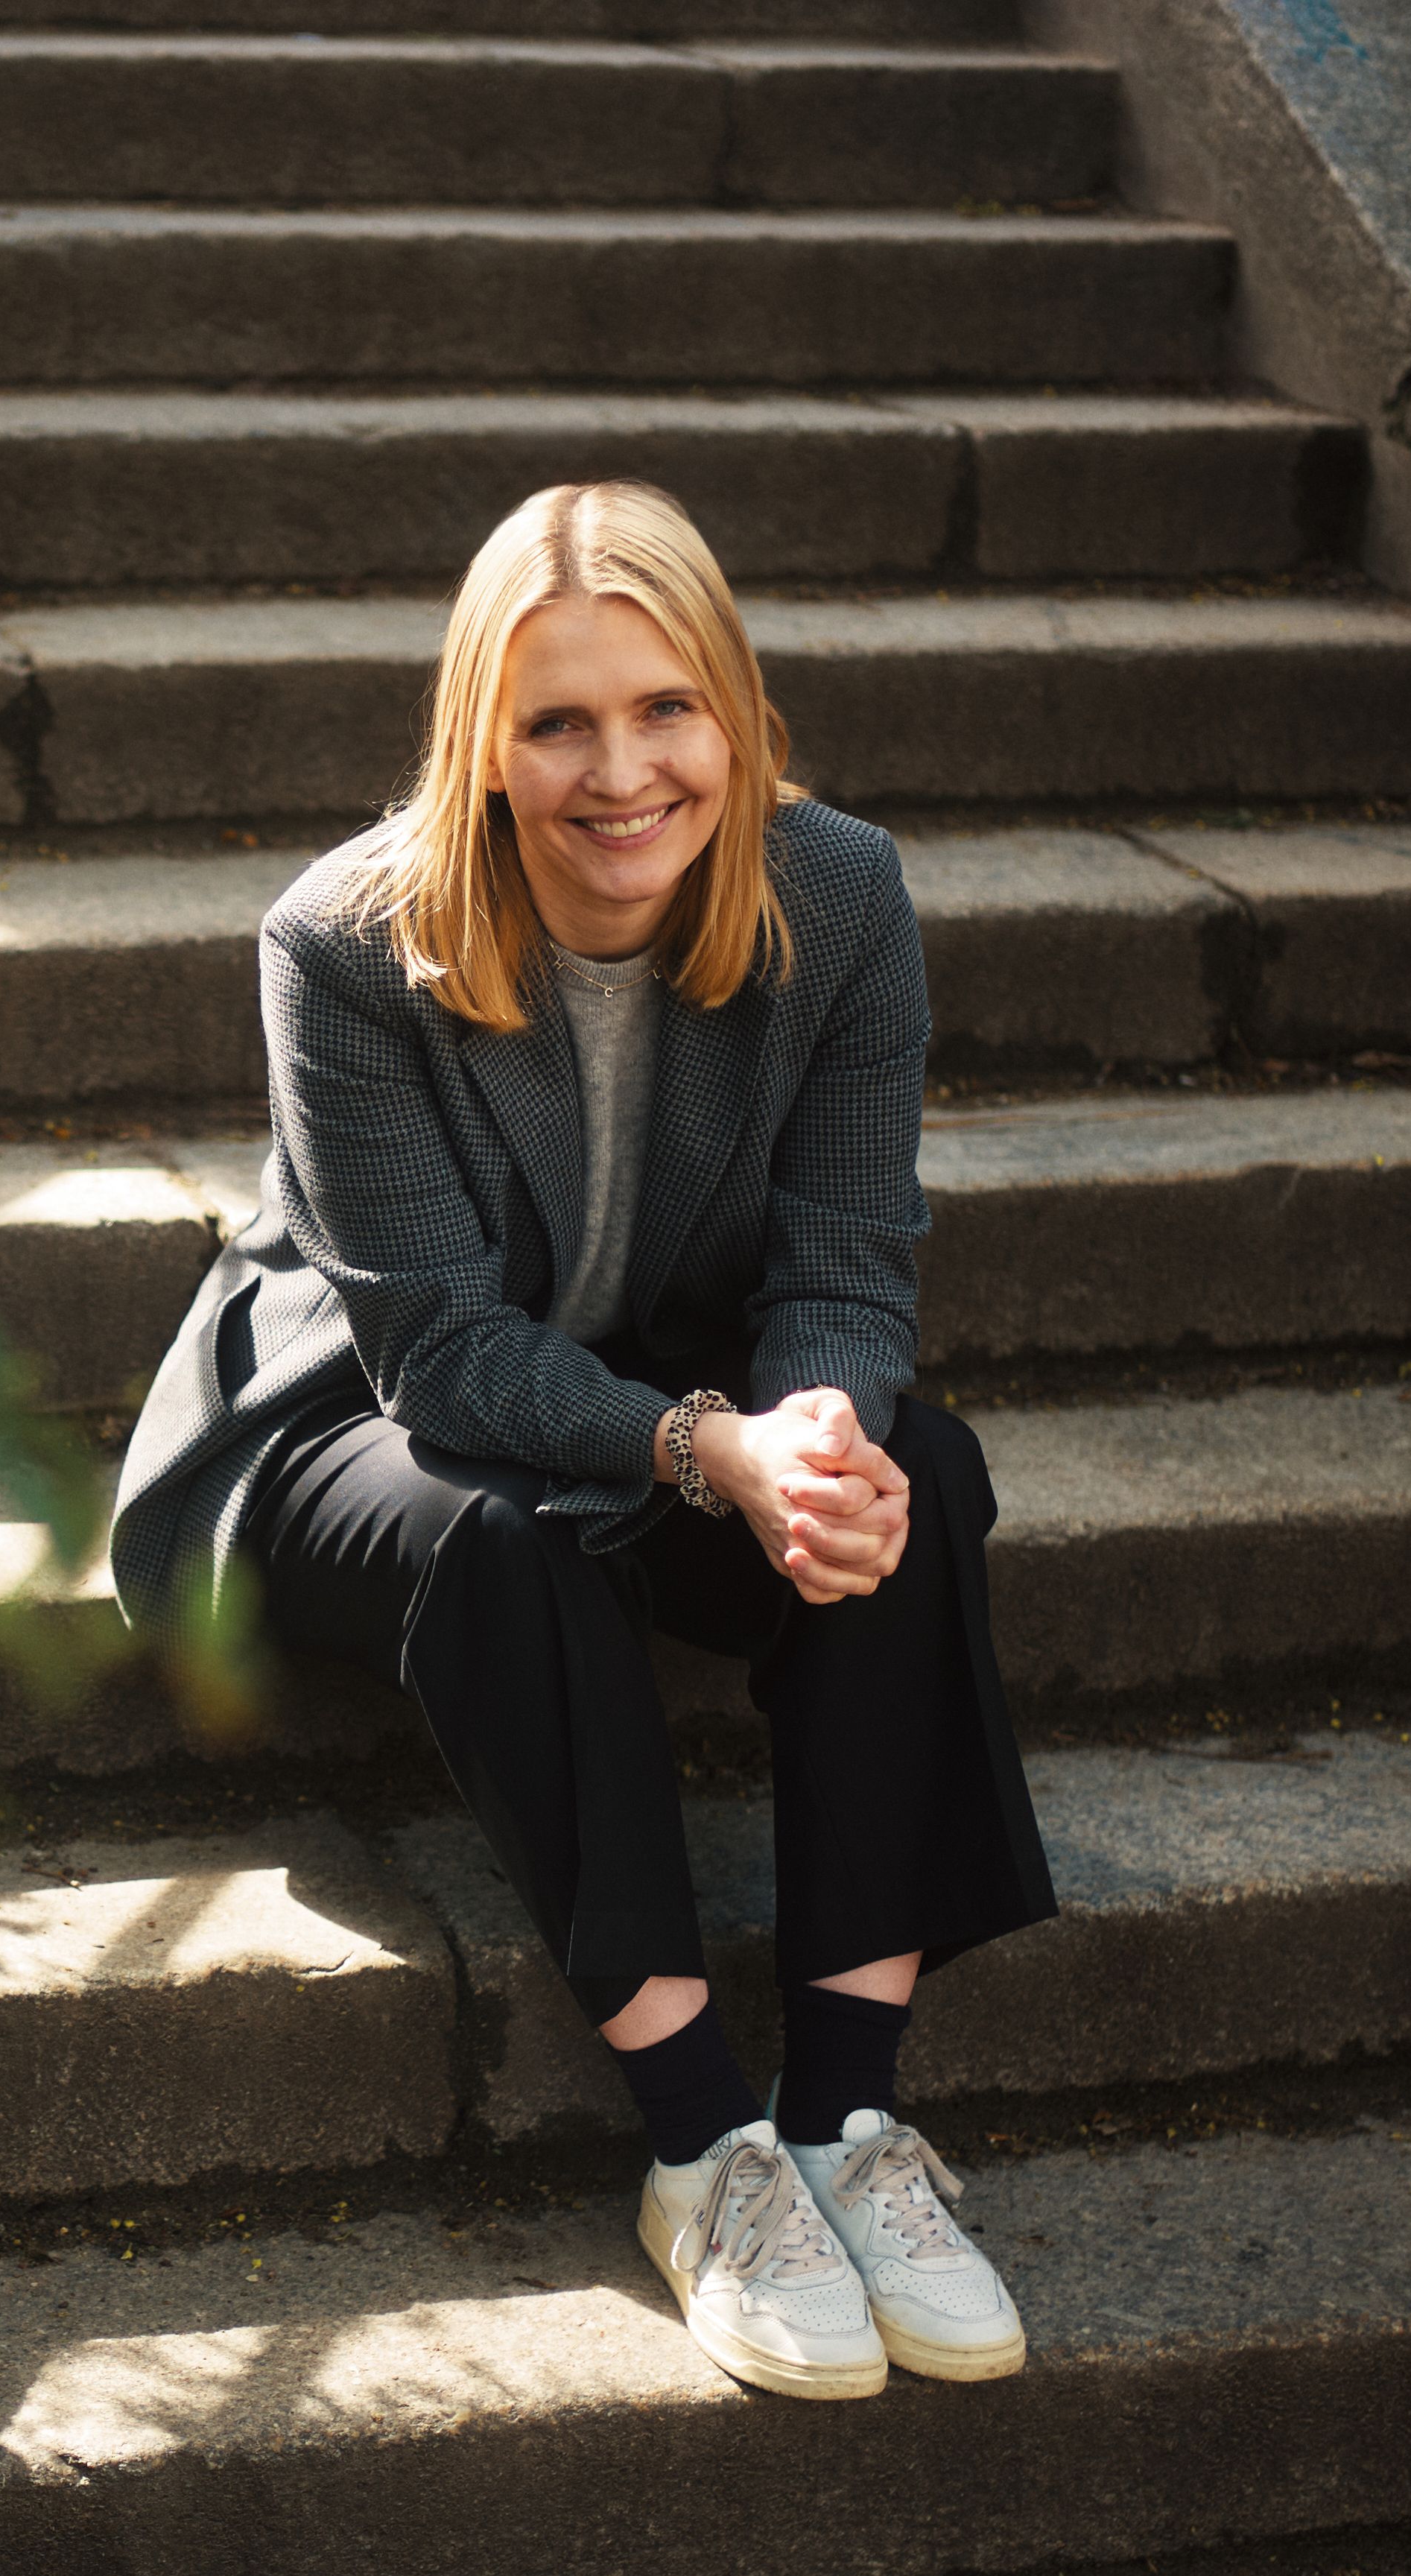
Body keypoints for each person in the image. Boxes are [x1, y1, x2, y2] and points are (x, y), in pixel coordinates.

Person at [107, 480, 1059, 2403]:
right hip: (346, 1434)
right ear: (484, 739)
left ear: (736, 712)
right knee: (506, 1536)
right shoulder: (347, 942)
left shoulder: (842, 897)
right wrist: (709, 1453)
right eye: (557, 723)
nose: (620, 773)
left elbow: (853, 1260)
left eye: (663, 712)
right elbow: (444, 1358)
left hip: (659, 1387)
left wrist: (811, 1435)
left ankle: (849, 2127)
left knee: (919, 1471)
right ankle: (709, 2151)